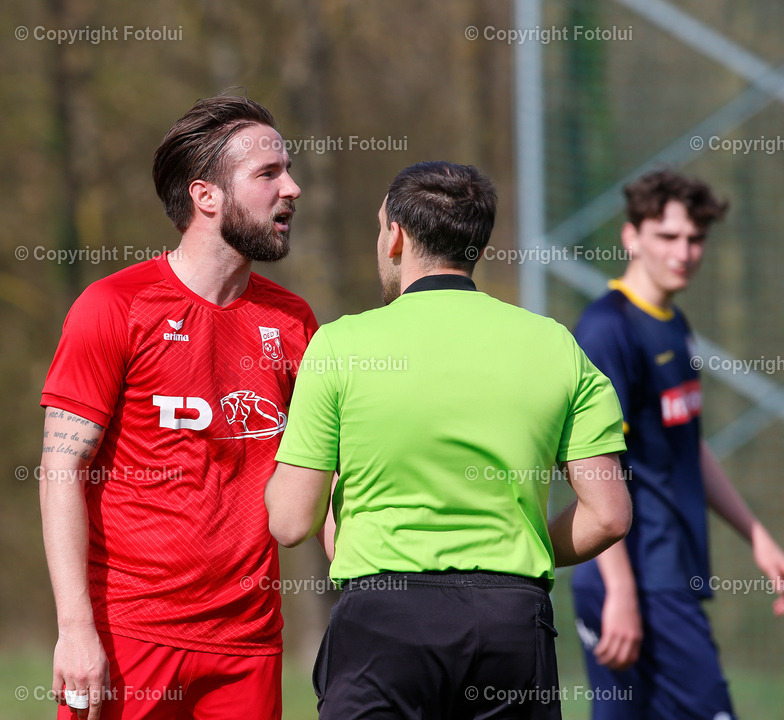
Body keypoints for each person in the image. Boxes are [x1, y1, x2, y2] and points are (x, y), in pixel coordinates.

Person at [265, 160, 632, 720]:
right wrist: (516, 552)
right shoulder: (555, 346)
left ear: (396, 236)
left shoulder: (341, 346)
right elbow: (608, 515)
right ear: (477, 245)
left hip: (381, 624)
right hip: (510, 622)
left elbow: (290, 522)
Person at [38, 94, 317, 720]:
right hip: (129, 635)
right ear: (206, 196)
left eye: (287, 170)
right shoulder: (113, 306)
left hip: (248, 644)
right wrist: (75, 628)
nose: (292, 188)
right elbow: (61, 472)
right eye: (268, 174)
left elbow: (320, 479)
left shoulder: (294, 322)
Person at [570, 169, 784, 720]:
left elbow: (688, 446)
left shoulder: (675, 324)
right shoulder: (606, 330)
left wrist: (757, 536)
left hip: (668, 573)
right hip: (632, 580)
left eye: (695, 239)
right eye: (667, 237)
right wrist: (620, 590)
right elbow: (593, 466)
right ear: (631, 237)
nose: (683, 251)